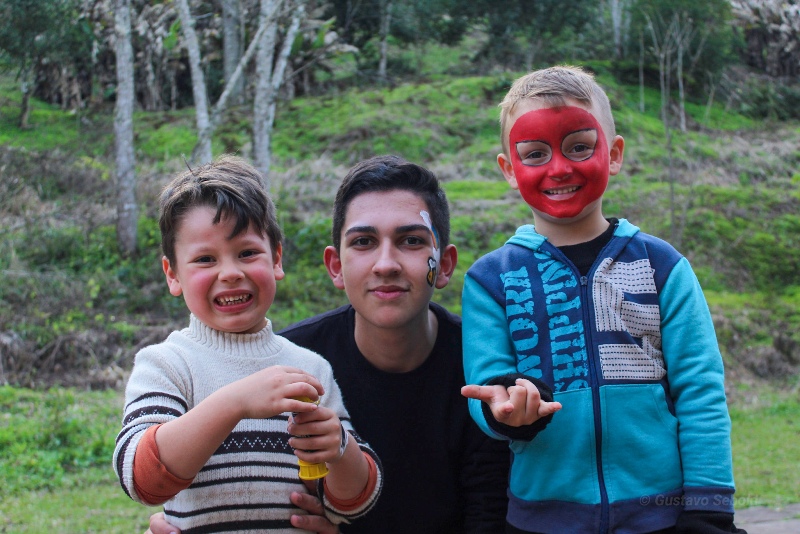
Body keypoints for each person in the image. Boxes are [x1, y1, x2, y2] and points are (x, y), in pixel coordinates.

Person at [148, 155, 510, 534]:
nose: (386, 264)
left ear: (446, 264)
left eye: (412, 240)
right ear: (335, 265)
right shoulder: (290, 371)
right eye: (364, 242)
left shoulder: (486, 367)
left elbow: (489, 518)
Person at [460, 66, 746, 534]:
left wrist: (709, 508)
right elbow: (486, 386)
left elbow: (700, 391)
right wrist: (508, 410)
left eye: (578, 147)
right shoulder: (490, 280)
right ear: (509, 169)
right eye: (535, 154)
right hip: (539, 520)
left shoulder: (664, 266)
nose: (559, 168)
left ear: (613, 154)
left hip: (663, 516)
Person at [114, 155, 382, 532]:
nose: (230, 273)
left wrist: (339, 447)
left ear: (276, 258)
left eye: (247, 253)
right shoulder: (166, 364)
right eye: (205, 259)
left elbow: (352, 503)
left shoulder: (309, 368)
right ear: (172, 275)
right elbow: (141, 478)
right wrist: (236, 402)